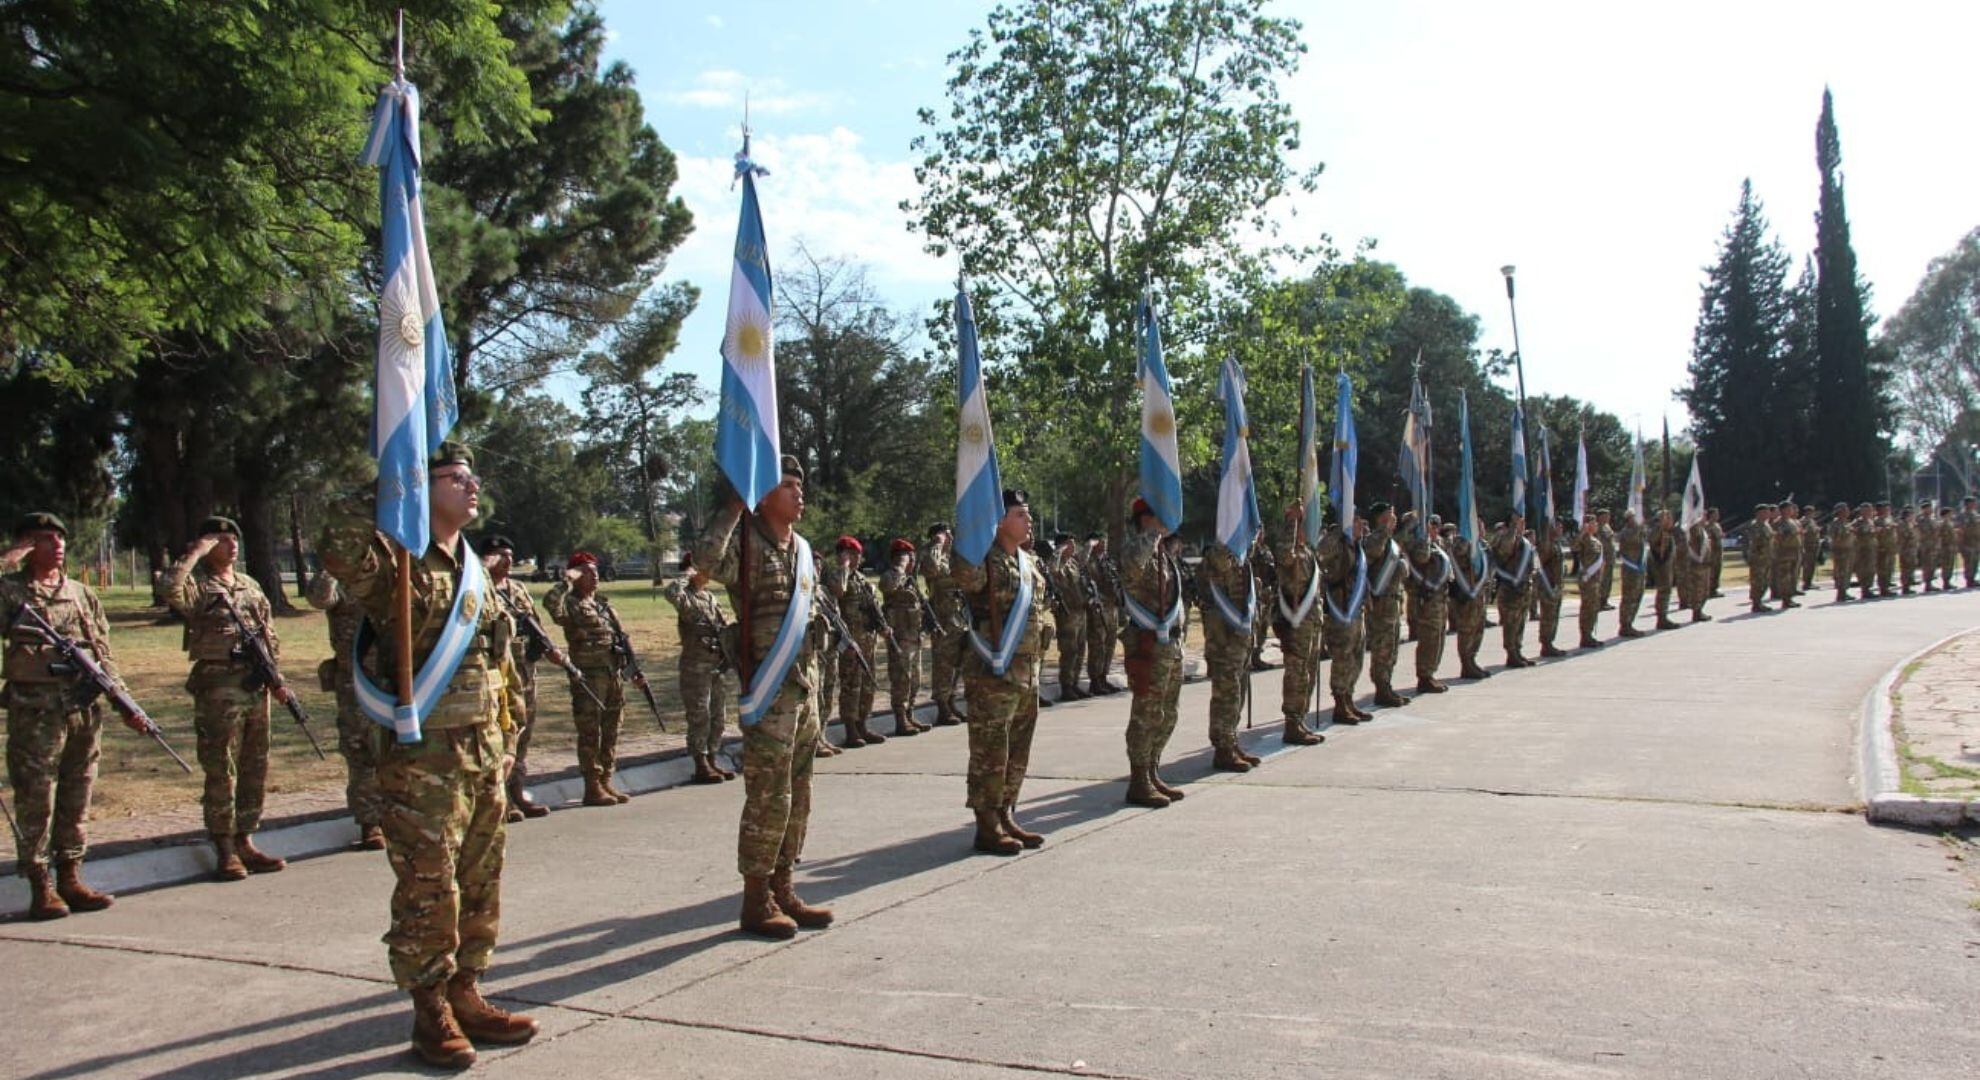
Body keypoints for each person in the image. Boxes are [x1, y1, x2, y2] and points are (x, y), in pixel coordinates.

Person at [316, 442, 537, 1068]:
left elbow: (500, 662)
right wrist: (389, 485)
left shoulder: (472, 566)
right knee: (427, 887)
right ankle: (429, 1008)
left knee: (480, 882)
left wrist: (510, 734)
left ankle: (468, 989)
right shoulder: (397, 562)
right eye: (455, 478)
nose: (472, 487)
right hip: (424, 762)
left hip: (483, 753)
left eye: (473, 478)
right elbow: (336, 548)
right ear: (420, 485)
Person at [694, 454, 834, 939]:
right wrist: (733, 507)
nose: (800, 494)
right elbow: (706, 563)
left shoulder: (802, 547)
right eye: (789, 485)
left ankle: (785, 886)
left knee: (798, 794)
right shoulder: (748, 545)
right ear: (765, 495)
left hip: (804, 685)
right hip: (770, 692)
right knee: (767, 797)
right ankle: (756, 898)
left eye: (800, 485)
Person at [2, 513, 147, 919]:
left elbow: (103, 655)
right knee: (37, 797)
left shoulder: (82, 594)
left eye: (61, 538)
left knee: (77, 793)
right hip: (36, 712)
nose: (58, 544)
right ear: (27, 546)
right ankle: (40, 884)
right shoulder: (11, 591)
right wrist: (8, 559)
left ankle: (70, 876)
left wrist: (125, 703)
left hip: (83, 708)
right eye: (46, 539)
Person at [162, 515, 291, 881]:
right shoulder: (199, 586)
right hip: (219, 687)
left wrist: (275, 676)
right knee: (222, 767)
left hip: (255, 685)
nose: (231, 544)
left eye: (234, 538)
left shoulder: (249, 586)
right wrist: (195, 553)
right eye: (221, 539)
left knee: (255, 763)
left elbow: (269, 633)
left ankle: (246, 837)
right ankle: (223, 844)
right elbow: (171, 589)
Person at [950, 490, 1051, 852]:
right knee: (990, 750)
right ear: (1000, 520)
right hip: (993, 672)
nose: (1029, 521)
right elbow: (963, 578)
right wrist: (969, 532)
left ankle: (1007, 812)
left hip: (1026, 671)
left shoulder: (1028, 561)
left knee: (1017, 748)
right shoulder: (984, 559)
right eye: (1021, 515)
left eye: (1028, 514)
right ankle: (986, 822)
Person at [543, 551, 638, 805]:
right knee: (590, 732)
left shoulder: (604, 605)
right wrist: (566, 580)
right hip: (589, 677)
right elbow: (550, 605)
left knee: (611, 729)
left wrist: (633, 670)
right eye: (586, 572)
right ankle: (592, 785)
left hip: (613, 674)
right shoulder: (571, 604)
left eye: (595, 571)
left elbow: (621, 639)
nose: (594, 576)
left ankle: (607, 778)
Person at [306, 566, 388, 843]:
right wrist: (331, 564)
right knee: (360, 751)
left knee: (397, 750)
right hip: (355, 681)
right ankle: (370, 821)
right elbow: (319, 598)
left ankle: (398, 815)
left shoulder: (392, 575)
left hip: (395, 679)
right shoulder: (341, 580)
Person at [1118, 498, 1189, 805]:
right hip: (1148, 645)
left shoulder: (1163, 553)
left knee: (1167, 713)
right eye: (1157, 517)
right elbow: (1132, 568)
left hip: (1170, 644)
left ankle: (1152, 769)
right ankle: (1138, 779)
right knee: (1146, 713)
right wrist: (1152, 535)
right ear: (1144, 519)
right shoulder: (1136, 548)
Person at [480, 536, 552, 820]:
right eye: (500, 555)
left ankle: (517, 790)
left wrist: (549, 650)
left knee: (522, 733)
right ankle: (498, 798)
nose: (508, 561)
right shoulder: (478, 587)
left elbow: (536, 626)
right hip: (496, 675)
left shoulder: (518, 589)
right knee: (497, 735)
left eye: (510, 555)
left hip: (524, 673)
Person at [664, 552, 735, 785]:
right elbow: (670, 592)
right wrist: (686, 574)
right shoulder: (686, 596)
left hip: (716, 665)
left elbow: (722, 627)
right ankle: (700, 762)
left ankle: (712, 756)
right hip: (696, 667)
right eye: (704, 568)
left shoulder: (710, 598)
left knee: (718, 716)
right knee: (699, 715)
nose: (709, 573)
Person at [1196, 530, 1262, 772]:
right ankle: (1223, 748)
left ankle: (1231, 742)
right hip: (1223, 639)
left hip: (1240, 639)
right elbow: (1221, 565)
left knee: (1238, 691)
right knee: (1226, 694)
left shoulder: (1241, 560)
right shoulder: (1217, 557)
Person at [824, 536, 886, 749]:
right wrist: (843, 567)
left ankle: (863, 724)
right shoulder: (836, 575)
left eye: (859, 554)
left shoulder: (861, 578)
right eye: (854, 554)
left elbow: (872, 606)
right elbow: (838, 591)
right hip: (848, 640)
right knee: (851, 685)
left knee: (867, 684)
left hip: (867, 638)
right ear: (845, 554)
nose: (860, 558)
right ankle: (850, 729)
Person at [1273, 505, 1327, 744]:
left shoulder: (1308, 552)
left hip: (1312, 622)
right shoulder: (1290, 550)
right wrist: (1291, 523)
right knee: (1296, 674)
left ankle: (1301, 718)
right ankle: (1292, 723)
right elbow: (1284, 554)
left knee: (1309, 673)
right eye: (1303, 524)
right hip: (1296, 622)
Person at [1321, 514, 1373, 723]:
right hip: (1341, 610)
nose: (1362, 526)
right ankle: (1340, 702)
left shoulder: (1357, 547)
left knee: (1356, 657)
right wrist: (1338, 532)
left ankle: (1349, 697)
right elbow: (1322, 551)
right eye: (1358, 522)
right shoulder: (1338, 546)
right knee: (1342, 658)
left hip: (1356, 609)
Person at [919, 523, 970, 726]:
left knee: (957, 663)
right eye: (945, 535)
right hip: (942, 617)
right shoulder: (930, 555)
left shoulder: (952, 558)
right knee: (943, 663)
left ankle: (951, 701)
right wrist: (936, 544)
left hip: (958, 617)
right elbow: (931, 568)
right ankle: (942, 706)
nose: (950, 537)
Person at [879, 538, 931, 737]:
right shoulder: (891, 576)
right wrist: (900, 567)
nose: (912, 561)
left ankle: (909, 714)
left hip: (914, 636)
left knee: (915, 679)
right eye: (908, 557)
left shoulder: (910, 581)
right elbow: (888, 587)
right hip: (899, 638)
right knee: (902, 679)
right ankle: (900, 719)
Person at [1361, 502, 1410, 705]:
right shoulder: (1374, 539)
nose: (1394, 519)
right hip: (1380, 604)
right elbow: (1371, 553)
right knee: (1382, 648)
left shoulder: (1391, 541)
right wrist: (1383, 530)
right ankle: (1381, 688)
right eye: (1390, 516)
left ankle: (1387, 685)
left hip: (1393, 602)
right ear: (1380, 519)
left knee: (1391, 647)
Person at [1401, 513, 1451, 690]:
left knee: (1438, 636)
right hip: (1425, 598)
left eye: (1437, 525)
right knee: (1429, 638)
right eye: (1431, 524)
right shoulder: (1415, 544)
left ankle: (1430, 672)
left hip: (1439, 598)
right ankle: (1424, 675)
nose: (1435, 528)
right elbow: (1422, 558)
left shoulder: (1436, 543)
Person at [1490, 511, 1536, 665]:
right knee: (1510, 623)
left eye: (1522, 522)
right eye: (1518, 522)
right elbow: (1505, 551)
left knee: (1520, 621)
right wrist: (1512, 530)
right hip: (1509, 588)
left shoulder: (1524, 542)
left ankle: (1517, 649)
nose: (1522, 525)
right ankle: (1511, 653)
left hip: (1523, 587)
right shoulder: (1503, 538)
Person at [1048, 534, 1090, 700]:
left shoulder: (1073, 563)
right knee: (1069, 651)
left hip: (1080, 612)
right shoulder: (1058, 563)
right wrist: (1058, 551)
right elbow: (1052, 569)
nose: (1073, 548)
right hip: (1067, 614)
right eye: (1069, 545)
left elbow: (1083, 564)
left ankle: (1074, 683)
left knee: (1080, 649)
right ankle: (1066, 686)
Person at [1447, 524, 1493, 675]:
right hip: (1466, 594)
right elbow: (1457, 553)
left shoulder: (1482, 546)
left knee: (1478, 629)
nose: (1480, 530)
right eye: (1476, 526)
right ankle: (1466, 664)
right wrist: (1468, 543)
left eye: (1481, 527)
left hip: (1480, 595)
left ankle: (1472, 660)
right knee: (1467, 630)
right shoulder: (1461, 543)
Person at [1084, 533, 1124, 694]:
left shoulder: (1107, 561)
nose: (1104, 543)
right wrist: (1089, 546)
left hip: (1111, 608)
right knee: (1098, 646)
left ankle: (1103, 678)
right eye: (1100, 541)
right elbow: (1081, 563)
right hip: (1098, 609)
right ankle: (1095, 680)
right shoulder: (1089, 560)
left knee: (1110, 644)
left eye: (1106, 540)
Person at [1572, 516, 1605, 649]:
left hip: (1595, 580)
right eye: (1593, 522)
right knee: (1587, 608)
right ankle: (1585, 636)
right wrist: (1582, 533)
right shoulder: (1584, 539)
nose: (1596, 524)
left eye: (1595, 522)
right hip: (1587, 579)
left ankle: (1589, 634)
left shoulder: (1596, 541)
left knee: (1593, 607)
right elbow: (1574, 547)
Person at [1615, 510, 1649, 637]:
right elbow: (1632, 540)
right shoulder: (1626, 532)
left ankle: (1630, 623)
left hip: (1638, 569)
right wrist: (1639, 528)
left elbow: (1644, 540)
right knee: (1629, 597)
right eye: (1633, 518)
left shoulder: (1638, 530)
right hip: (1630, 569)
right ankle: (1625, 625)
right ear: (1628, 519)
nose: (1635, 520)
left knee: (1637, 596)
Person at [1681, 510, 1714, 623]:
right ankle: (1696, 612)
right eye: (1703, 515)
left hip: (1704, 565)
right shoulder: (1695, 529)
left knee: (1704, 589)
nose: (1705, 517)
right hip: (1697, 565)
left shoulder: (1701, 529)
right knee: (1698, 589)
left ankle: (1699, 610)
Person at [1742, 504, 1775, 614]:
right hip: (1758, 558)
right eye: (1765, 512)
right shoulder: (1755, 526)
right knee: (1757, 581)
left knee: (1764, 580)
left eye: (1768, 512)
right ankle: (1756, 603)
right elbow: (1754, 542)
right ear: (1759, 513)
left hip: (1766, 557)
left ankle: (1759, 601)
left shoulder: (1766, 525)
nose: (1768, 514)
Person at [1771, 502, 1803, 610]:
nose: (1792, 511)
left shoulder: (1792, 521)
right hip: (1784, 552)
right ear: (1783, 510)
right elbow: (1778, 536)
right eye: (1789, 509)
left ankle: (1789, 598)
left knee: (1793, 575)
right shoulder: (1778, 522)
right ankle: (1785, 599)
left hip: (1794, 551)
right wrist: (1792, 533)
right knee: (1785, 577)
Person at [1827, 502, 1856, 601]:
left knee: (1847, 571)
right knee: (1841, 572)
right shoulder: (1836, 524)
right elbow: (1835, 537)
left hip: (1848, 549)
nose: (1847, 511)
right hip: (1840, 551)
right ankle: (1841, 593)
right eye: (1844, 510)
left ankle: (1844, 591)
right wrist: (1848, 533)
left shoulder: (1846, 523)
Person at [1916, 502, 1940, 593]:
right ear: (1924, 509)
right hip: (1926, 545)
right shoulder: (1922, 520)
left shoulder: (1932, 519)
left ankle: (1930, 583)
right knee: (1927, 565)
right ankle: (1927, 584)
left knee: (1932, 565)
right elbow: (1925, 531)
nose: (1931, 510)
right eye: (1929, 508)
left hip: (1933, 545)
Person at [1704, 507, 1726, 597]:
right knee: (1711, 572)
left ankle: (1714, 589)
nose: (1717, 516)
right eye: (1715, 514)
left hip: (1718, 552)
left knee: (1717, 571)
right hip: (1712, 553)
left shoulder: (1717, 525)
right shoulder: (1707, 526)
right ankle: (1709, 590)